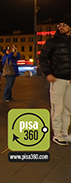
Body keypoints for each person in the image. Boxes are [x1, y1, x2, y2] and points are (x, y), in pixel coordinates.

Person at [39, 18, 71, 146]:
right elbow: (42, 57)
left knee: (68, 109)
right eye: (59, 25)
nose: (61, 27)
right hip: (57, 78)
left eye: (64, 25)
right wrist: (48, 73)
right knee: (57, 108)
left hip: (70, 80)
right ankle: (57, 135)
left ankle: (64, 133)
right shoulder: (52, 42)